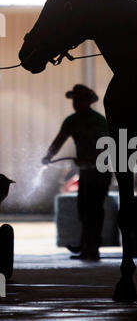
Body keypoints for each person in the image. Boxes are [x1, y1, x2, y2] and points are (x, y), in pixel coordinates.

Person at [42, 84, 111, 260]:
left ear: (88, 102)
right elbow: (58, 141)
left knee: (94, 209)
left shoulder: (99, 122)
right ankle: (86, 245)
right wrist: (48, 156)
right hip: (86, 172)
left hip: (100, 171)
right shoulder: (71, 121)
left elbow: (106, 147)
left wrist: (90, 158)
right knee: (84, 209)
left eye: (79, 100)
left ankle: (92, 248)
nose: (76, 103)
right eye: (75, 100)